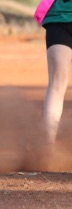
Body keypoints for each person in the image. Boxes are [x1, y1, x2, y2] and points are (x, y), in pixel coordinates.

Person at [42, 0, 72, 145]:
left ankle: (47, 147)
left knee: (57, 84)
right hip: (58, 19)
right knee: (57, 83)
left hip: (58, 20)